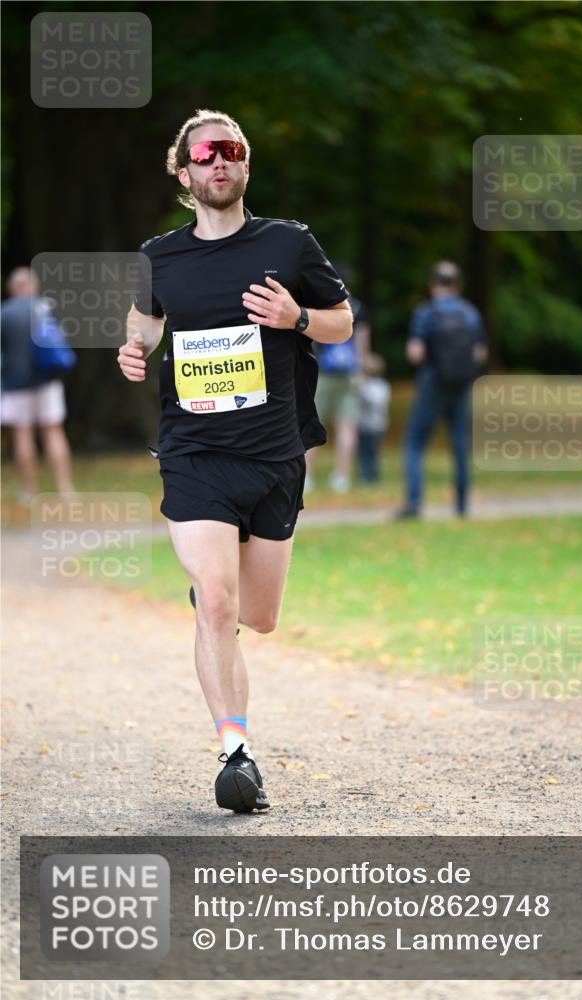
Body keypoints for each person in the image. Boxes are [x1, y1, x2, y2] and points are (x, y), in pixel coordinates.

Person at [117, 109, 352, 814]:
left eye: (231, 150)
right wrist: (135, 348)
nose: (219, 161)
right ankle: (235, 754)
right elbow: (147, 320)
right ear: (183, 171)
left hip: (275, 454)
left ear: (245, 163)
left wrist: (296, 319)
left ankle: (214, 598)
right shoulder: (159, 256)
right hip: (193, 453)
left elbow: (343, 322)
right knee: (218, 604)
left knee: (261, 616)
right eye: (205, 154)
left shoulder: (288, 243)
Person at [397, 261, 487, 519]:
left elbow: (415, 352)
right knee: (459, 443)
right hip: (461, 385)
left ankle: (414, 504)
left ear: (432, 284)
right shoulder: (470, 313)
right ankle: (461, 505)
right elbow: (480, 353)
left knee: (414, 442)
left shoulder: (426, 312)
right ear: (458, 285)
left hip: (432, 382)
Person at [0, 267, 74, 502]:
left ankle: (29, 491)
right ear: (31, 286)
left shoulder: (4, 313)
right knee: (53, 432)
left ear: (13, 289)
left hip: (15, 383)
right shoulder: (46, 308)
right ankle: (65, 489)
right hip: (48, 380)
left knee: (23, 435)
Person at [304, 278, 370, 493]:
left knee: (312, 422)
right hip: (349, 373)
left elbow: (312, 339)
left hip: (324, 372)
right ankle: (341, 477)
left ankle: (307, 476)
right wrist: (362, 373)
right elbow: (362, 346)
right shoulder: (357, 307)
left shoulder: (321, 303)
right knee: (347, 425)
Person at [356, 352, 391, 483]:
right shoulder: (379, 385)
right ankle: (364, 475)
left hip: (376, 426)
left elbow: (375, 401)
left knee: (372, 452)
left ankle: (372, 476)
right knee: (363, 452)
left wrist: (362, 392)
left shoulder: (379, 386)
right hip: (365, 425)